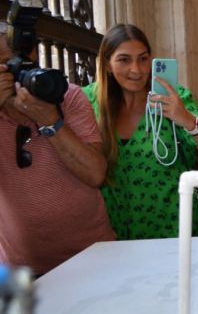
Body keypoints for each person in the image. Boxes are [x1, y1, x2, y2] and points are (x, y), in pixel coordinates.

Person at [83, 24, 198, 240]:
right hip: (113, 235)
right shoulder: (87, 102)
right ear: (107, 64)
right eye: (124, 59)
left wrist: (185, 118)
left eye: (143, 59)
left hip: (176, 231)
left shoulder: (174, 97)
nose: (137, 70)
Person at [0, 25, 115, 275]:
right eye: (8, 66)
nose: (19, 75)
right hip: (23, 271)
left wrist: (50, 121)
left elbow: (95, 174)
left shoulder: (66, 96)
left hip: (94, 255)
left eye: (24, 64)